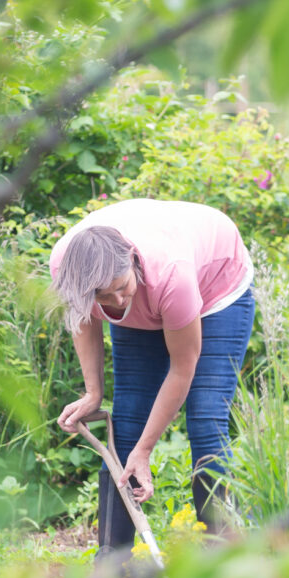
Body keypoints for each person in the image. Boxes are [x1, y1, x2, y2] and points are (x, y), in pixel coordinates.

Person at [49, 198, 255, 558]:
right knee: (128, 417)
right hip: (156, 292)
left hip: (217, 288)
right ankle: (113, 560)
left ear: (130, 258)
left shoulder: (170, 274)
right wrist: (93, 392)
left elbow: (182, 367)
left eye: (119, 286)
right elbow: (84, 317)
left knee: (207, 418)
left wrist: (145, 451)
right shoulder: (68, 266)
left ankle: (220, 560)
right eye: (102, 295)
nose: (115, 300)